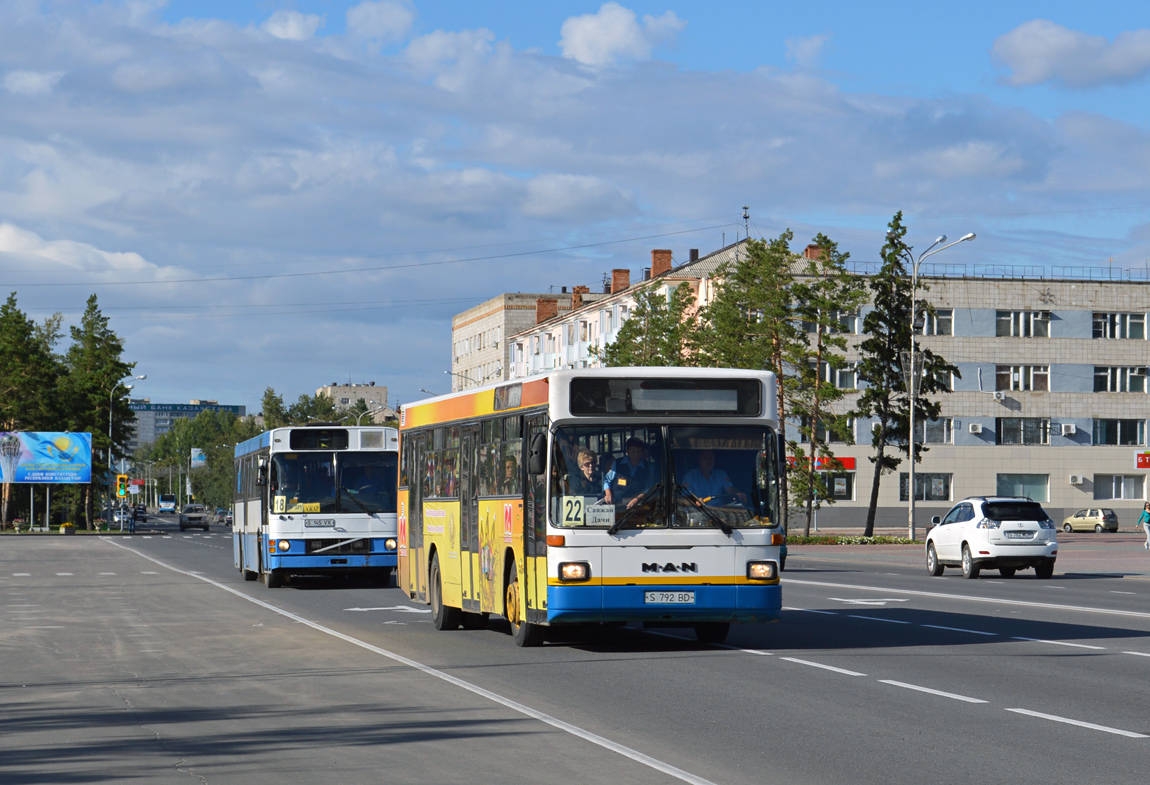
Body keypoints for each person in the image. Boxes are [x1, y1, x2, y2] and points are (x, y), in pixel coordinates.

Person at [604, 437, 657, 508]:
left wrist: (637, 499)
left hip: (638, 507)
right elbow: (607, 480)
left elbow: (649, 488)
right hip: (617, 506)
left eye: (639, 451)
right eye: (633, 451)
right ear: (627, 451)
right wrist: (608, 494)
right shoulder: (617, 463)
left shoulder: (649, 467)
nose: (636, 454)